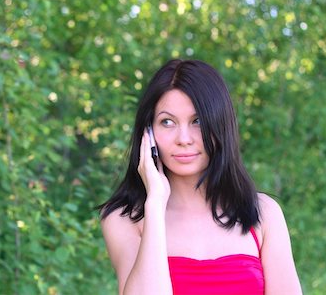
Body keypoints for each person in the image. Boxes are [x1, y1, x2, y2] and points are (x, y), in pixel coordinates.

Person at [98, 59, 302, 295]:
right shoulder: (124, 219)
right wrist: (154, 203)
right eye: (167, 122)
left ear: (220, 125)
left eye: (198, 121)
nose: (184, 138)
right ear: (148, 134)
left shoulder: (263, 213)